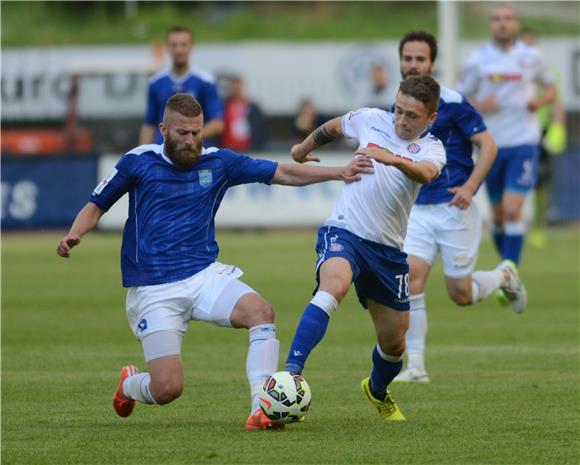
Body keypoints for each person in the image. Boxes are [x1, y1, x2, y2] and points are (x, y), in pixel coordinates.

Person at [57, 93, 373, 431]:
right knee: (167, 389)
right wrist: (74, 235)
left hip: (204, 275)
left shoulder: (219, 162)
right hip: (153, 288)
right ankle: (131, 385)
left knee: (261, 313)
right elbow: (97, 204)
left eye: (196, 132)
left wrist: (340, 172)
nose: (191, 140)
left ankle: (260, 408)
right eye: (182, 133)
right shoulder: (138, 161)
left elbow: (283, 173)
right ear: (163, 129)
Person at [283, 75, 446, 421]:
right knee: (334, 286)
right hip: (345, 230)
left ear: (430, 119)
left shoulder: (433, 147)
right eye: (398, 109)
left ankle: (376, 389)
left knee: (394, 342)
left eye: (412, 115)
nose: (401, 119)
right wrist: (303, 147)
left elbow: (426, 174)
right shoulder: (372, 118)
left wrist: (390, 158)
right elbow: (335, 126)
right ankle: (289, 375)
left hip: (387, 251)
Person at [392, 31, 527, 384]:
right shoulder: (396, 104)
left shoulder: (452, 102)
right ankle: (416, 367)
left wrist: (470, 187)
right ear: (400, 61)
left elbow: (488, 146)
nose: (413, 65)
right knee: (411, 280)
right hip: (418, 211)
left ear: (431, 63)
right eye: (408, 58)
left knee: (461, 295)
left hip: (454, 208)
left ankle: (504, 276)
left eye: (420, 59)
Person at [458, 4, 556, 270]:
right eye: (497, 19)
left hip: (524, 143)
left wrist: (539, 102)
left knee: (514, 211)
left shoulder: (531, 56)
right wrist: (481, 104)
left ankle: (508, 272)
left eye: (508, 19)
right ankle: (508, 272)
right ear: (491, 25)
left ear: (515, 24)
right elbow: (462, 98)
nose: (503, 23)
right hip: (491, 146)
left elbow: (550, 88)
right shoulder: (478, 60)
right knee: (500, 218)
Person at [139, 26, 224, 146]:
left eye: (184, 44)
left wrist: (189, 136)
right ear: (167, 47)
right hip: (164, 154)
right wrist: (142, 156)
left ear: (191, 46)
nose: (179, 50)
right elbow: (149, 124)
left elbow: (218, 124)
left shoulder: (206, 81)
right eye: (174, 45)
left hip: (196, 154)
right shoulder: (155, 82)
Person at [220, 74, 268, 152]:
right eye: (233, 87)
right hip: (228, 147)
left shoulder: (253, 107)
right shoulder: (223, 106)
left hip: (249, 148)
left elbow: (261, 128)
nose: (236, 90)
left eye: (238, 87)